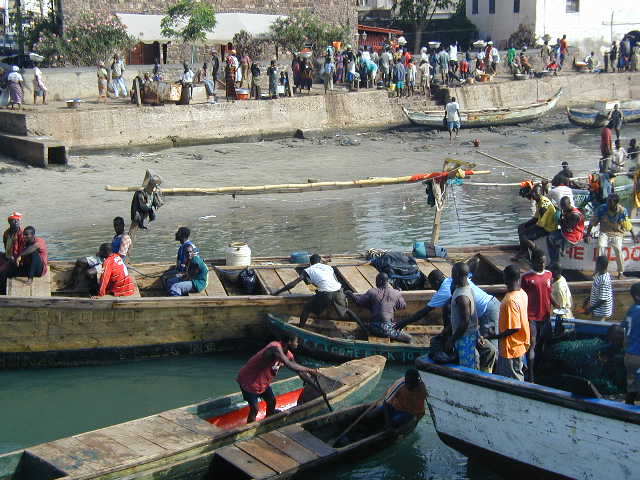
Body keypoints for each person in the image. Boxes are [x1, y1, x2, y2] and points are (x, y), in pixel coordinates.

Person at [236, 335, 317, 423]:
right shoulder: (274, 347)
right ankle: (250, 428)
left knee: (272, 402)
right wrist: (309, 369)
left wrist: (315, 385)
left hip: (262, 383)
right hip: (249, 381)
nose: (297, 344)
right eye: (296, 341)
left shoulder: (288, 355)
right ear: (289, 342)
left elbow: (300, 372)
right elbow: (290, 365)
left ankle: (268, 422)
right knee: (255, 409)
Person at [272, 254, 358, 327]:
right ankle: (363, 327)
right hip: (338, 291)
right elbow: (333, 281)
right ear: (320, 261)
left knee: (306, 309)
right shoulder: (328, 267)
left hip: (325, 294)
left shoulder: (309, 270)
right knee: (346, 311)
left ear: (310, 263)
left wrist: (278, 292)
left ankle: (300, 329)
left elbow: (293, 284)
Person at [487, 264, 530, 381]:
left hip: (510, 349)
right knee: (517, 374)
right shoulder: (522, 293)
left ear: (506, 279)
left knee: (512, 380)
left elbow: (514, 328)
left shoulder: (509, 301)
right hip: (520, 345)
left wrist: (494, 336)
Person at [346, 272, 412, 343]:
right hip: (389, 327)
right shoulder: (396, 293)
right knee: (408, 338)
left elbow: (358, 302)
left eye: (376, 281)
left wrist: (350, 294)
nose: (376, 283)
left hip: (376, 327)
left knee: (365, 328)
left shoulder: (372, 292)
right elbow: (403, 306)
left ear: (380, 281)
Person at [521, 249, 552, 382]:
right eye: (540, 262)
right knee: (532, 345)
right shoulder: (526, 278)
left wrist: (558, 306)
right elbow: (521, 297)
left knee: (544, 343)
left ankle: (540, 370)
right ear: (533, 261)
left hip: (545, 316)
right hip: (532, 317)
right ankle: (531, 375)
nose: (543, 265)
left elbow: (549, 293)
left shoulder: (549, 275)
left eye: (544, 263)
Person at [585, 193, 634, 279]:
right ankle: (598, 271)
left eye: (609, 202)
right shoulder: (601, 209)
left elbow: (628, 225)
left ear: (615, 203)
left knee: (618, 249)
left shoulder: (622, 211)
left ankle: (620, 272)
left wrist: (633, 235)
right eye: (607, 201)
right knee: (600, 246)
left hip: (617, 233)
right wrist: (587, 234)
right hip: (604, 232)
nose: (607, 203)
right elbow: (592, 222)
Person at [445, 262, 479, 370]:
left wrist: (452, 339)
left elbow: (465, 322)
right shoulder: (467, 288)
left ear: (457, 274)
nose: (451, 275)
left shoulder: (462, 297)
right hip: (467, 335)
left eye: (453, 273)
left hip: (465, 337)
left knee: (467, 369)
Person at [514, 185, 556, 261]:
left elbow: (541, 224)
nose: (533, 194)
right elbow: (536, 218)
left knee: (525, 236)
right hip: (542, 224)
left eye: (536, 193)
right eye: (533, 192)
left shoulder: (544, 204)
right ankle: (524, 251)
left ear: (540, 193)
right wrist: (525, 225)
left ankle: (536, 254)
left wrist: (527, 230)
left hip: (548, 228)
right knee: (521, 227)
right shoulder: (538, 202)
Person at [547, 196, 584, 264]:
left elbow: (568, 228)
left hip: (574, 234)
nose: (563, 208)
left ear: (570, 203)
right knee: (549, 237)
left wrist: (559, 219)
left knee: (556, 242)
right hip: (566, 230)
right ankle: (554, 261)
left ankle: (562, 251)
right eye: (562, 206)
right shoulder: (565, 210)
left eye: (565, 206)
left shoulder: (575, 215)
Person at [622, 283, 640, 404]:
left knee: (631, 389)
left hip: (629, 356)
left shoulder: (631, 310)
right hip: (638, 356)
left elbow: (622, 328)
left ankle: (627, 410)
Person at [584, 255, 613, 321]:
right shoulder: (599, 275)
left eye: (596, 264)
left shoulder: (604, 280)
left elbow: (602, 300)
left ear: (599, 265)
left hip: (600, 312)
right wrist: (587, 299)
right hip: (596, 309)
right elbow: (597, 291)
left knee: (597, 327)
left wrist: (589, 309)